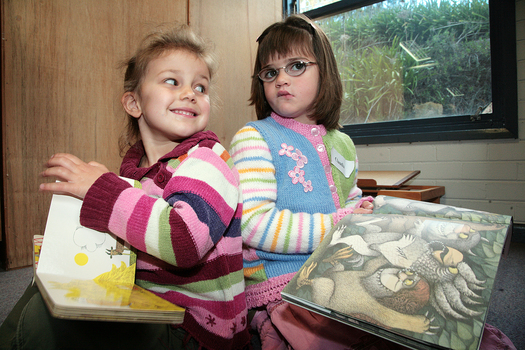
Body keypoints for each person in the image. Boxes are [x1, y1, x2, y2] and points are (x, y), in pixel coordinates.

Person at [229, 14, 516, 350]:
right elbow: (252, 224)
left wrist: (361, 209)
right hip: (287, 280)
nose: (281, 79)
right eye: (270, 72)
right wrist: (340, 225)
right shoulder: (254, 137)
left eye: (296, 66)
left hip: (348, 265)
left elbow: (349, 199)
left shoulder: (343, 143)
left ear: (326, 71)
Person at [2, 24, 250, 350]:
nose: (190, 93)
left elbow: (183, 240)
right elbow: (129, 238)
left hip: (195, 330)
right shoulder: (137, 174)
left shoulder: (209, 159)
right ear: (134, 104)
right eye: (172, 81)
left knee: (45, 319)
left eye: (201, 87)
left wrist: (103, 190)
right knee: (45, 288)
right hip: (150, 307)